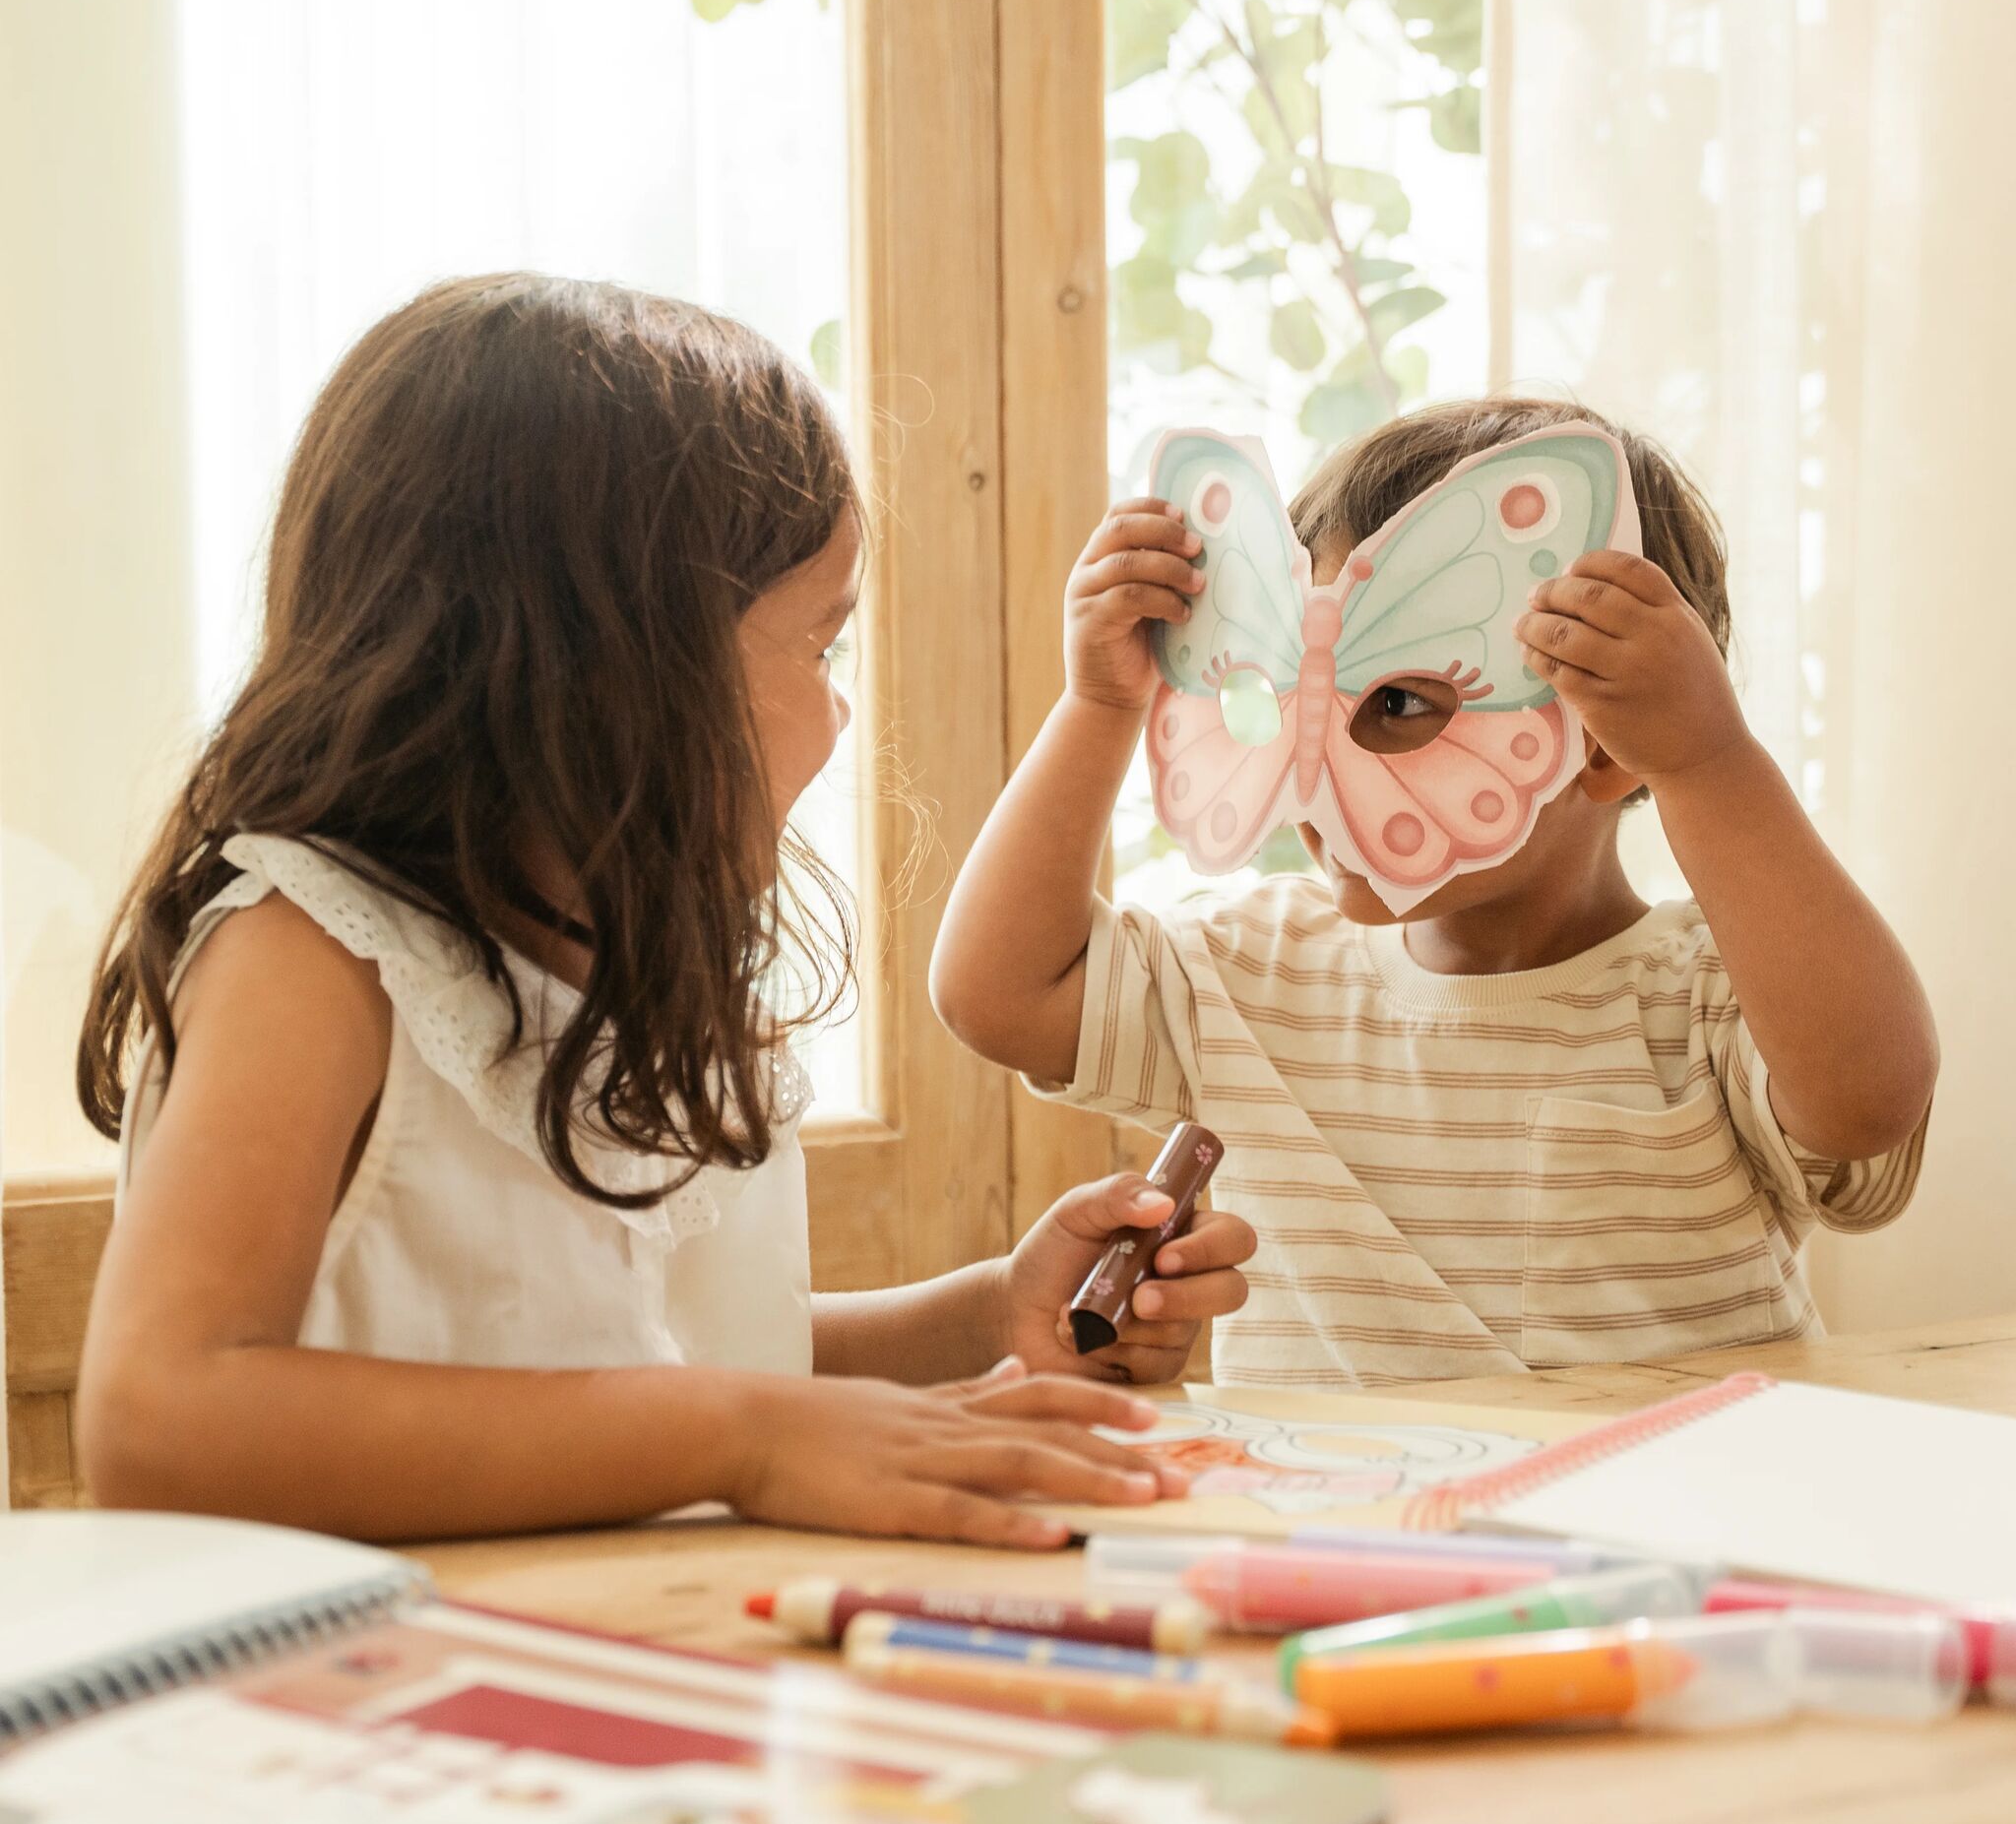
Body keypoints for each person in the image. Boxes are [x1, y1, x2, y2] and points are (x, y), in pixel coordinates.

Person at [74, 274, 1255, 1543]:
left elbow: (660, 1357)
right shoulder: (310, 954)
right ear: (608, 666)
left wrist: (972, 1324)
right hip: (381, 1710)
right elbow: (160, 1420)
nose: (839, 709)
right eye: (816, 646)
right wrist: (742, 1438)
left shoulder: (626, 979)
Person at [931, 399, 1936, 1387]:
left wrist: (1711, 764)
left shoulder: (1713, 996)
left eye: (1397, 703)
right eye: (1290, 696)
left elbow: (1867, 1098)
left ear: (1603, 744)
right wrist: (1099, 704)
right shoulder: (1249, 972)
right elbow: (995, 992)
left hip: (1654, 1522)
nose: (1314, 775)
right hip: (1335, 1531)